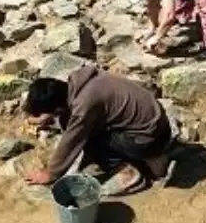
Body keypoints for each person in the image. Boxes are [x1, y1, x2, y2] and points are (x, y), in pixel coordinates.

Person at [23, 65, 174, 197]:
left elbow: (72, 140)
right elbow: (72, 114)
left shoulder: (85, 105)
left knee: (90, 141)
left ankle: (129, 173)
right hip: (159, 123)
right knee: (87, 129)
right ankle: (154, 157)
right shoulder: (82, 80)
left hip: (149, 139)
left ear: (57, 108)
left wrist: (50, 173)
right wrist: (50, 118)